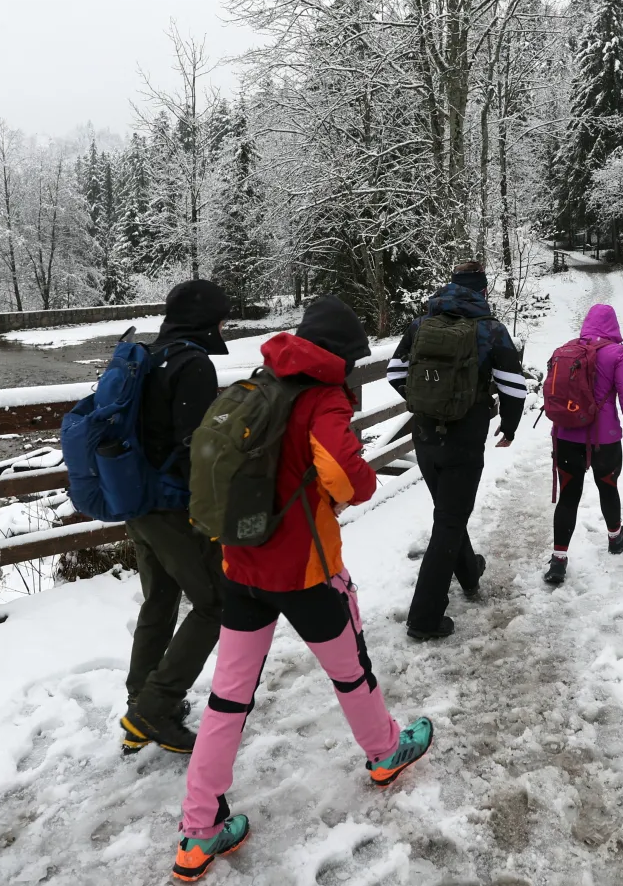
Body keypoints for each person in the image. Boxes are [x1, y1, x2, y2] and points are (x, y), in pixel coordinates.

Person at [173, 296, 434, 883]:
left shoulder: (263, 380)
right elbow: (344, 474)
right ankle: (386, 752)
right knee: (351, 671)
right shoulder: (324, 397)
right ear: (341, 356)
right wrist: (354, 486)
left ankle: (199, 830)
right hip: (305, 573)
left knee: (228, 698)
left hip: (241, 565)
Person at [120, 280, 232, 755]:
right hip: (170, 506)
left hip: (137, 499)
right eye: (223, 317)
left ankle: (139, 702)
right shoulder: (192, 363)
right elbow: (198, 449)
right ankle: (155, 710)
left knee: (160, 601)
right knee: (215, 604)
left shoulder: (150, 354)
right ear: (207, 319)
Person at [387, 260, 527, 640]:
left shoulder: (420, 324)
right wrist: (508, 427)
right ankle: (424, 618)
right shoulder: (490, 329)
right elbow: (514, 386)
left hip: (425, 436)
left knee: (449, 511)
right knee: (449, 521)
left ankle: (469, 572)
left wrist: (427, 403)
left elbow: (394, 373)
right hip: (465, 438)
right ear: (482, 291)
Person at [545, 303, 623, 586]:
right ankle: (616, 538)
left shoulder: (566, 349)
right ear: (613, 326)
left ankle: (558, 561)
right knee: (608, 487)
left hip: (565, 436)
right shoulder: (617, 354)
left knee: (568, 497)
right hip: (605, 439)